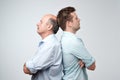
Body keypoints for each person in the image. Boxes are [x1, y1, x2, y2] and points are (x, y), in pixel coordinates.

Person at [57, 6, 96, 80]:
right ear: (69, 23)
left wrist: (84, 61)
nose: (79, 20)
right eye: (76, 18)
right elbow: (92, 66)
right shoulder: (74, 41)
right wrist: (85, 61)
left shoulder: (63, 40)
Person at [23, 14, 63, 80]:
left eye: (41, 22)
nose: (37, 24)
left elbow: (28, 69)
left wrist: (27, 65)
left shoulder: (50, 45)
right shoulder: (49, 43)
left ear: (49, 26)